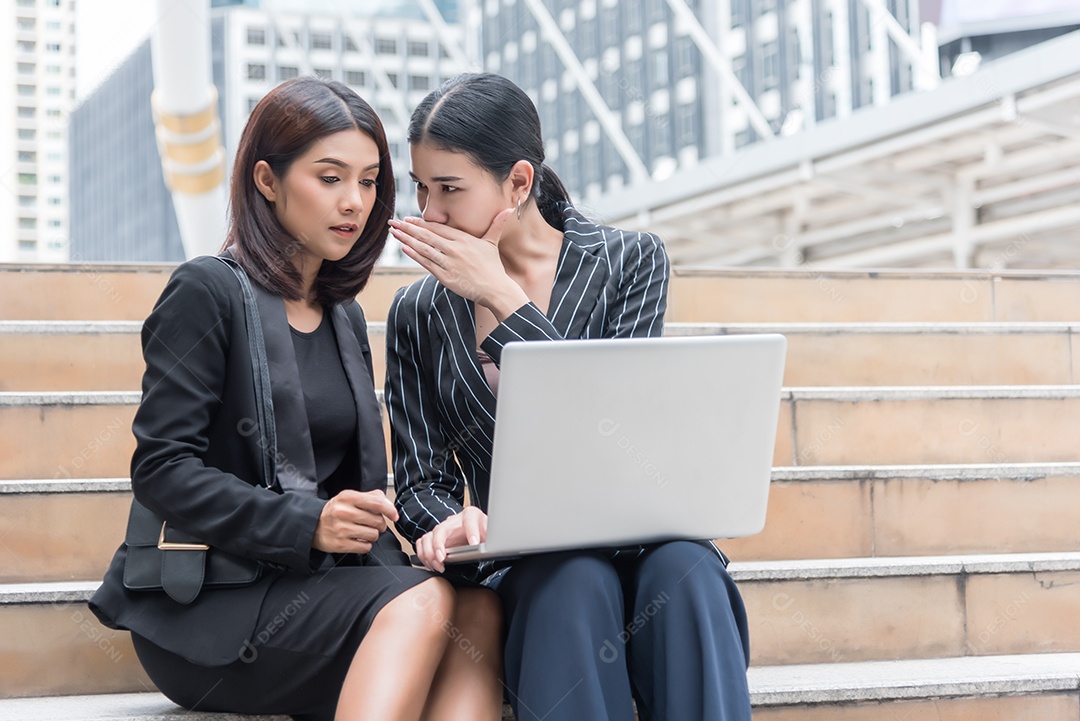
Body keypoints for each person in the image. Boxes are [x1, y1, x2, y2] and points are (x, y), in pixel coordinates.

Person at [89, 77, 503, 721]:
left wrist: (428, 531)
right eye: (330, 177)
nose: (355, 202)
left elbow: (355, 490)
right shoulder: (206, 292)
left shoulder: (340, 315)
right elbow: (161, 470)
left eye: (368, 181)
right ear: (267, 180)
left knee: (475, 606)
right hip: (215, 603)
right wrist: (307, 524)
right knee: (423, 605)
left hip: (319, 585)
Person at [385, 72, 752, 721]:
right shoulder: (416, 310)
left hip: (644, 539)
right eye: (420, 188)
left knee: (687, 571)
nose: (429, 214)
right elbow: (419, 481)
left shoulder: (629, 262)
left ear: (518, 183)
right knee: (573, 579)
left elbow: (614, 423)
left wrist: (503, 298)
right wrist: (447, 521)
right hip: (529, 562)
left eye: (449, 189)